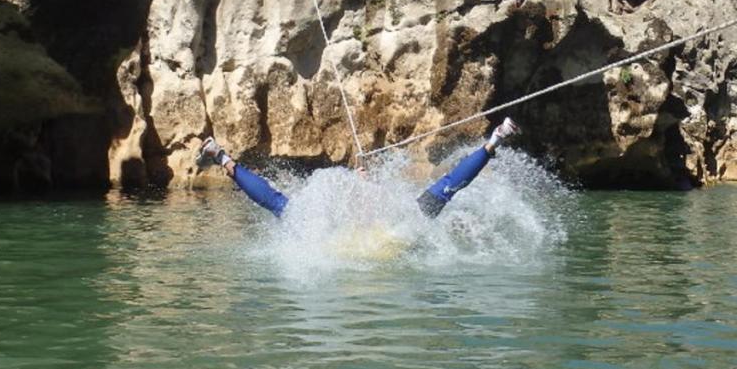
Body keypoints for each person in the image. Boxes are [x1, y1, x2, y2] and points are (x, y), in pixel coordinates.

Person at [195, 118, 521, 219]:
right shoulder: (328, 219)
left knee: (280, 206)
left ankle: (221, 157)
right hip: (377, 244)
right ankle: (494, 141)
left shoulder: (397, 214)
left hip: (377, 242)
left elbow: (271, 200)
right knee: (443, 192)